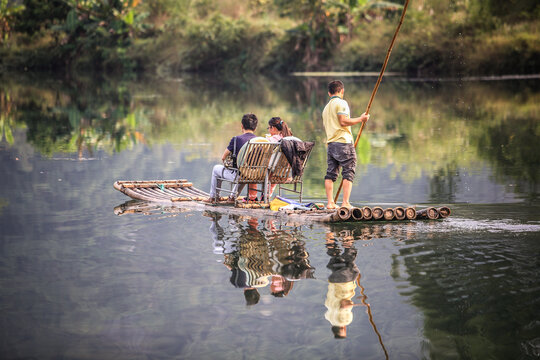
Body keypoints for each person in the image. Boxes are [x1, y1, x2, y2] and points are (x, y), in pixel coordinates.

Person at [322, 80, 370, 209]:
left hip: (331, 144)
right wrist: (361, 119)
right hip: (343, 142)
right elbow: (343, 121)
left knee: (330, 174)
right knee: (349, 171)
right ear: (342, 91)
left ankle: (330, 203)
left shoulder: (326, 108)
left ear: (329, 93)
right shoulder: (341, 103)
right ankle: (345, 203)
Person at [204, 113, 258, 203]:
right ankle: (232, 197)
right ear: (255, 128)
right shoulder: (260, 140)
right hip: (254, 174)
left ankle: (214, 197)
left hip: (239, 175)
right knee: (244, 171)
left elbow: (223, 157)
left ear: (242, 126)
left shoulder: (237, 139)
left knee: (216, 169)